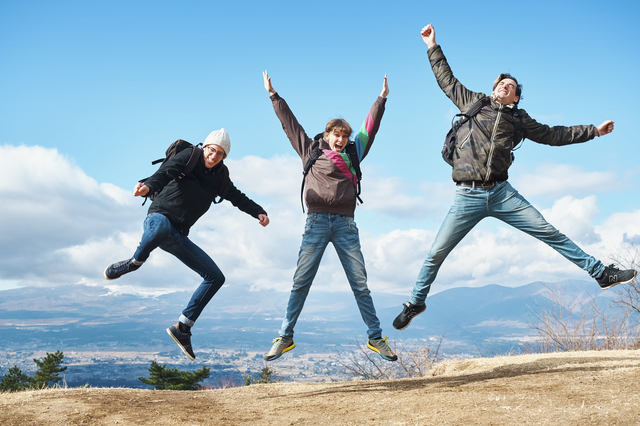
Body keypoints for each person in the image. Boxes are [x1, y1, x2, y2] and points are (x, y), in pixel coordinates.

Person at [393, 24, 637, 331]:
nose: (504, 86)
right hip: (467, 195)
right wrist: (432, 45)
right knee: (435, 253)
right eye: (501, 83)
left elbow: (553, 135)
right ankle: (416, 302)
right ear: (494, 88)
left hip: (502, 193)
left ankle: (601, 274)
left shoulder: (519, 120)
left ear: (516, 96)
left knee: (550, 232)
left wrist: (594, 131)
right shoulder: (474, 103)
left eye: (510, 85)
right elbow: (446, 80)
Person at [262, 70, 397, 362]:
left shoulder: (354, 152)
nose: (341, 139)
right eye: (337, 134)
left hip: (346, 224)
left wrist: (381, 98)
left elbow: (369, 128)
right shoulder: (310, 150)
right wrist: (274, 96)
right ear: (327, 135)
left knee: (359, 283)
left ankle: (376, 338)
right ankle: (285, 337)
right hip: (316, 222)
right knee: (301, 282)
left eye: (345, 136)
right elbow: (290, 125)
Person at [103, 129, 270, 360]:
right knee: (161, 227)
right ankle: (134, 262)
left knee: (215, 277)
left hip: (178, 234)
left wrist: (258, 212)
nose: (214, 156)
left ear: (224, 157)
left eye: (220, 154)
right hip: (158, 219)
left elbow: (237, 197)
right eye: (212, 150)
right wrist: (148, 187)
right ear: (205, 147)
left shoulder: (221, 177)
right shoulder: (189, 156)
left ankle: (183, 328)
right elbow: (164, 173)